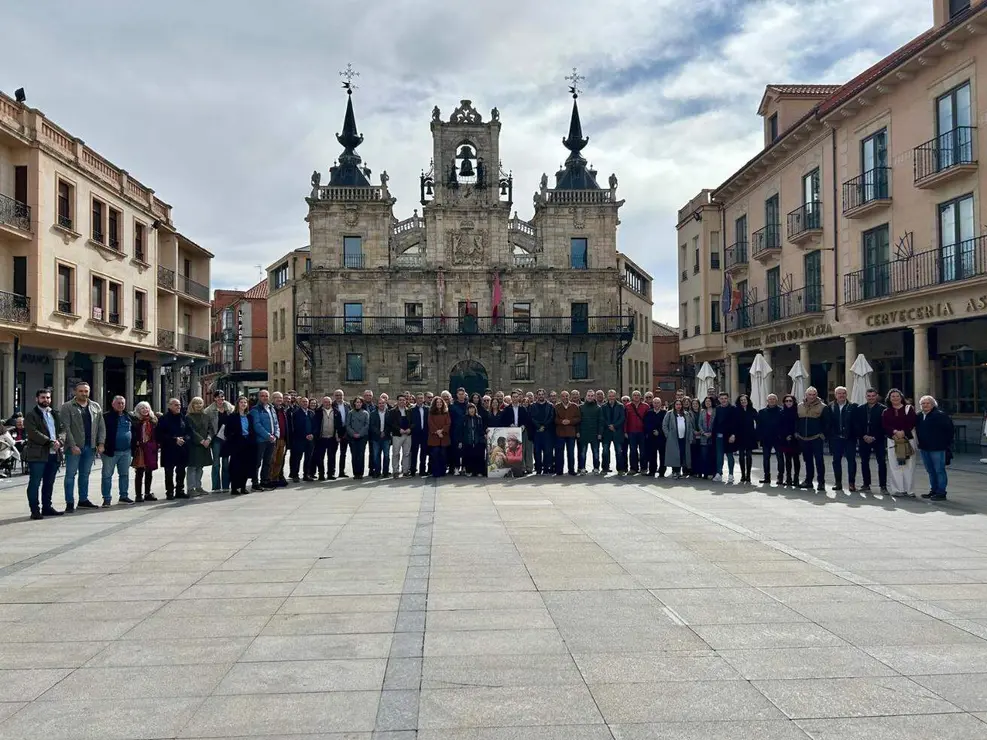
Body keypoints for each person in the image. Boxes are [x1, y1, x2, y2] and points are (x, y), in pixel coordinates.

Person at [59, 380, 106, 511]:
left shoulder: (95, 406)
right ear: (75, 392)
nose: (84, 393)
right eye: (81, 391)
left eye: (86, 391)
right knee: (70, 475)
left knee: (85, 475)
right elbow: (65, 427)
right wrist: (72, 445)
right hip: (74, 448)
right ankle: (69, 502)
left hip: (90, 447)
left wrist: (101, 443)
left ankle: (83, 500)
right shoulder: (67, 406)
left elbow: (101, 426)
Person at [23, 388, 64, 519]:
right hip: (38, 454)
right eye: (43, 397)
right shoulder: (31, 415)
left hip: (54, 454)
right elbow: (32, 432)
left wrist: (60, 441)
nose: (45, 400)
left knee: (49, 482)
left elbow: (63, 430)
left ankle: (47, 507)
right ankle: (35, 510)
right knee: (35, 482)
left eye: (48, 397)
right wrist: (50, 442)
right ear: (37, 399)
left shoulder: (55, 414)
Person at [916, 395, 953, 501]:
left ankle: (941, 492)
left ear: (933, 404)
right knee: (930, 471)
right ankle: (933, 490)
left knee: (939, 470)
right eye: (923, 403)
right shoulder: (919, 416)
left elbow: (949, 431)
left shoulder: (940, 415)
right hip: (924, 448)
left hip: (938, 448)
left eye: (927, 403)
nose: (925, 405)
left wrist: (945, 444)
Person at [882, 388, 917, 497]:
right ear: (889, 398)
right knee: (895, 465)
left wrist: (903, 432)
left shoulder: (909, 409)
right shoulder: (886, 411)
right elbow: (884, 425)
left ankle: (909, 490)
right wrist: (894, 431)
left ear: (901, 397)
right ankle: (898, 489)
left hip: (908, 440)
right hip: (893, 440)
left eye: (897, 396)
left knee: (909, 465)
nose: (895, 398)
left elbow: (912, 422)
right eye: (893, 396)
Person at [853, 387, 888, 494]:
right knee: (864, 462)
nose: (871, 398)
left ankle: (883, 486)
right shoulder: (860, 408)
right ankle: (866, 484)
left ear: (876, 396)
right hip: (864, 439)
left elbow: (884, 425)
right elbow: (856, 424)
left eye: (873, 396)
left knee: (881, 462)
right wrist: (863, 435)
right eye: (869, 396)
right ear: (866, 397)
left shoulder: (883, 409)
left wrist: (874, 436)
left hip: (879, 439)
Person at [101, 396, 135, 505]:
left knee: (124, 475)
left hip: (126, 451)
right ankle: (106, 499)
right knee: (107, 476)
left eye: (122, 403)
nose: (121, 405)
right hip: (111, 451)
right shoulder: (106, 417)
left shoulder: (129, 416)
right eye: (118, 403)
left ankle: (124, 496)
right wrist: (100, 445)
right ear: (113, 404)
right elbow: (100, 432)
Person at [796, 386, 830, 492]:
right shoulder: (799, 406)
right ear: (806, 395)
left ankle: (821, 483)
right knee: (808, 461)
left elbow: (827, 423)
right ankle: (809, 481)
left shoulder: (823, 407)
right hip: (803, 438)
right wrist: (796, 433)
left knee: (819, 461)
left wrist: (823, 435)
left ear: (817, 395)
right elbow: (796, 421)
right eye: (809, 394)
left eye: (814, 394)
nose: (811, 396)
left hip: (816, 438)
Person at [156, 398, 191, 499]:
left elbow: (189, 432)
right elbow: (159, 435)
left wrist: (184, 439)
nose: (178, 407)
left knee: (181, 471)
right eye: (176, 405)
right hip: (169, 449)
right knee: (169, 472)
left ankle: (180, 490)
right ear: (170, 406)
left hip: (182, 448)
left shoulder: (183, 417)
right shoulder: (164, 419)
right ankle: (170, 492)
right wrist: (174, 439)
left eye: (179, 405)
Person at [223, 396, 257, 496]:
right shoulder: (232, 416)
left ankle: (243, 486)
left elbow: (252, 430)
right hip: (237, 445)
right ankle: (234, 487)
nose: (243, 404)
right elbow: (227, 432)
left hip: (248, 444)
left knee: (246, 466)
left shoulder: (249, 416)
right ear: (238, 404)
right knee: (235, 467)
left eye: (245, 403)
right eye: (241, 402)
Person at [828, 385, 858, 493]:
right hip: (835, 439)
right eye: (839, 393)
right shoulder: (830, 406)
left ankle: (851, 483)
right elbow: (828, 423)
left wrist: (854, 434)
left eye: (843, 393)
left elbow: (856, 423)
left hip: (849, 439)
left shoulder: (853, 407)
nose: (841, 395)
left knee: (851, 461)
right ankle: (838, 482)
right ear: (835, 395)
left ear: (846, 394)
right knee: (836, 461)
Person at [249, 389, 279, 489]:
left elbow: (276, 423)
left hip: (271, 440)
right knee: (257, 462)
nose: (265, 398)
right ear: (259, 397)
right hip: (261, 440)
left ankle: (265, 480)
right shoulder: (255, 409)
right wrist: (267, 435)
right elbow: (257, 425)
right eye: (262, 396)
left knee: (268, 461)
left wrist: (275, 435)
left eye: (266, 396)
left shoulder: (271, 408)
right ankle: (255, 482)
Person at [205, 391, 233, 493]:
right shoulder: (209, 411)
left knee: (226, 463)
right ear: (215, 398)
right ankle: (216, 486)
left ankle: (226, 485)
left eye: (222, 397)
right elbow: (208, 426)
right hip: (216, 439)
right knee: (216, 463)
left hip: (226, 439)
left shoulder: (230, 408)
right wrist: (209, 437)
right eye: (219, 397)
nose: (221, 399)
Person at [184, 397, 213, 495]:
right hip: (194, 445)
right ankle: (191, 489)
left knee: (200, 467)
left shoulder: (206, 416)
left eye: (200, 403)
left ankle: (198, 487)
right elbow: (191, 431)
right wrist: (201, 440)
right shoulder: (188, 417)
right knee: (192, 467)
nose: (198, 405)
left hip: (205, 444)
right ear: (192, 405)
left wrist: (209, 439)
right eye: (196, 403)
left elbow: (210, 429)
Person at [131, 401, 159, 502]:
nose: (145, 410)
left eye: (146, 408)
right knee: (139, 471)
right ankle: (138, 495)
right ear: (138, 410)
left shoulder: (153, 420)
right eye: (142, 408)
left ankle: (147, 493)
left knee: (149, 471)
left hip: (151, 448)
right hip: (140, 448)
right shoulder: (135, 421)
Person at [755, 394, 783, 485]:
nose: (772, 401)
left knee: (780, 458)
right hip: (766, 438)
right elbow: (759, 426)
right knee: (766, 458)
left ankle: (780, 477)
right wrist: (758, 437)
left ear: (776, 400)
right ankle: (766, 477)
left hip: (778, 438)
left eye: (773, 399)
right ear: (767, 401)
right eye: (770, 399)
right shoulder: (762, 412)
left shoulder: (781, 411)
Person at [662, 398, 694, 478]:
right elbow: (664, 425)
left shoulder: (686, 414)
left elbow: (690, 426)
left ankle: (683, 471)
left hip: (684, 438)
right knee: (675, 455)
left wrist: (690, 437)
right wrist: (668, 435)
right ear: (674, 405)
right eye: (677, 404)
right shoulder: (669, 414)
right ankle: (675, 471)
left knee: (683, 454)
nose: (678, 406)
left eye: (680, 404)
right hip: (673, 438)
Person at [711, 392, 738, 483]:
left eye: (725, 398)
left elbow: (735, 423)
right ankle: (719, 473)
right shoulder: (717, 409)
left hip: (729, 436)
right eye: (721, 398)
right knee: (719, 455)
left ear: (728, 399)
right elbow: (715, 422)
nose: (723, 400)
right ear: (719, 399)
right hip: (719, 435)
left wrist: (733, 434)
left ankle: (731, 474)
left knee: (730, 455)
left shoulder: (733, 409)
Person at [553, 390, 580, 475]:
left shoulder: (575, 406)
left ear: (569, 397)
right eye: (563, 396)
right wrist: (561, 421)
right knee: (559, 452)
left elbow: (578, 418)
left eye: (567, 396)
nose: (565, 398)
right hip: (560, 433)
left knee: (571, 452)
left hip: (571, 433)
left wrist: (570, 421)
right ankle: (559, 470)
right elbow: (554, 419)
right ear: (561, 397)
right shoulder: (557, 407)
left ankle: (571, 470)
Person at [529, 389, 555, 476]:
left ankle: (546, 468)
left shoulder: (550, 406)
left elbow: (551, 417)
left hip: (547, 432)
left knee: (548, 451)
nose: (541, 396)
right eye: (539, 394)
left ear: (545, 395)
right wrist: (539, 427)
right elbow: (532, 418)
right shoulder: (532, 406)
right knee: (537, 451)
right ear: (537, 396)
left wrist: (544, 426)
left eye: (542, 394)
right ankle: (538, 469)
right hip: (537, 432)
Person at [289, 397, 315, 482]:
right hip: (299, 439)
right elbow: (296, 427)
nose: (305, 403)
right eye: (303, 402)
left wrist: (312, 434)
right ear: (300, 403)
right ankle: (295, 475)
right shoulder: (296, 413)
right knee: (297, 458)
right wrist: (305, 435)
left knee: (308, 458)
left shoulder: (311, 413)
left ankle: (306, 474)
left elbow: (315, 426)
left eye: (306, 402)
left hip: (310, 440)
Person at [387, 394, 413, 478]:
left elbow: (413, 422)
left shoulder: (409, 411)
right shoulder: (392, 411)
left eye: (403, 400)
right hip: (397, 435)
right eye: (400, 400)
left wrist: (410, 429)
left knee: (406, 453)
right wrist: (399, 429)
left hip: (407, 435)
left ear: (406, 401)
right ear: (397, 401)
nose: (402, 401)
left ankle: (405, 471)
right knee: (396, 453)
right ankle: (395, 471)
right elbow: (391, 423)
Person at [601, 389, 626, 475]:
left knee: (619, 451)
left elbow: (622, 418)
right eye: (610, 396)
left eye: (613, 396)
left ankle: (620, 469)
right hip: (607, 432)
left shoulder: (620, 406)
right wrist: (609, 426)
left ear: (616, 397)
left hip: (617, 431)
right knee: (605, 451)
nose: (611, 398)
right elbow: (602, 418)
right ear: (607, 396)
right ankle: (605, 468)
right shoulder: (603, 406)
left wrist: (614, 426)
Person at [778, 394, 801, 488]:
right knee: (787, 460)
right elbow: (779, 426)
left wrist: (796, 433)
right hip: (785, 439)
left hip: (796, 439)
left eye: (790, 401)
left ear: (793, 402)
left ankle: (796, 478)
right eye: (786, 401)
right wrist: (785, 436)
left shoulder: (798, 412)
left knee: (796, 459)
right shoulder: (781, 412)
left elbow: (799, 424)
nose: (788, 402)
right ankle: (788, 478)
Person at [313, 396, 338, 481]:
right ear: (322, 403)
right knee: (320, 457)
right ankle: (321, 474)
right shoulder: (318, 412)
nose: (327, 403)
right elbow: (315, 424)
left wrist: (338, 435)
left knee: (331, 457)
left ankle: (330, 474)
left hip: (332, 438)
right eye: (325, 402)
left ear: (331, 402)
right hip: (321, 438)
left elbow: (339, 424)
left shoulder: (336, 411)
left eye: (328, 402)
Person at [734, 394, 757, 485]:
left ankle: (748, 475)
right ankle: (743, 475)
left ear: (748, 401)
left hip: (750, 436)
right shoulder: (736, 411)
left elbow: (758, 421)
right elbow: (734, 424)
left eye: (745, 400)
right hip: (740, 436)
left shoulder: (752, 410)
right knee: (741, 456)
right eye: (741, 400)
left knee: (749, 456)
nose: (743, 401)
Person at [346, 397, 370, 479]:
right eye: (357, 402)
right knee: (354, 455)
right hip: (352, 437)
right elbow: (348, 425)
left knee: (361, 454)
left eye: (360, 402)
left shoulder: (365, 413)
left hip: (362, 437)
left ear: (362, 403)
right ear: (354, 403)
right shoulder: (350, 413)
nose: (358, 403)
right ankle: (355, 473)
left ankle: (360, 473)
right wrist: (353, 434)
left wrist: (360, 434)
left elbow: (367, 425)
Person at [624, 391, 648, 475]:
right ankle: (633, 468)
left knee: (643, 451)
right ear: (632, 396)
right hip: (631, 431)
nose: (636, 396)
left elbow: (648, 420)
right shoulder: (627, 406)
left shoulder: (645, 406)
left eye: (638, 395)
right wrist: (625, 431)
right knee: (633, 451)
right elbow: (625, 420)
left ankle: (644, 468)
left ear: (640, 397)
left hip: (642, 432)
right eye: (634, 395)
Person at [270, 392, 290, 487]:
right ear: (273, 399)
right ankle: (269, 479)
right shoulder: (271, 409)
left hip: (283, 438)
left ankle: (275, 478)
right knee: (272, 460)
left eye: (280, 398)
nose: (279, 400)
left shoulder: (283, 410)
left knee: (279, 460)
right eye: (277, 398)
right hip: (274, 439)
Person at [460, 403, 487, 476]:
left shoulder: (479, 418)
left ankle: (479, 471)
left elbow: (481, 429)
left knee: (478, 456)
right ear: (468, 410)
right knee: (469, 456)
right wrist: (460, 441)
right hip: (467, 440)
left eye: (473, 408)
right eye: (470, 408)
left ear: (475, 409)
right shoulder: (464, 418)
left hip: (478, 440)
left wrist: (484, 435)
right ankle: (469, 471)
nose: (472, 410)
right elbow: (462, 430)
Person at [427, 396, 451, 477]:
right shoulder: (431, 412)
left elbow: (448, 423)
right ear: (435, 404)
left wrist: (442, 430)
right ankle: (435, 472)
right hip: (434, 437)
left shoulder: (446, 412)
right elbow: (430, 423)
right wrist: (437, 431)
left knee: (443, 455)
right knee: (435, 455)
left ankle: (442, 471)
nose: (439, 404)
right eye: (437, 403)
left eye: (440, 402)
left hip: (444, 437)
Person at [369, 397, 391, 478]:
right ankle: (377, 472)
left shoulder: (389, 413)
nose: (381, 405)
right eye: (380, 403)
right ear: (377, 404)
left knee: (386, 455)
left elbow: (390, 425)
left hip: (386, 437)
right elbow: (372, 426)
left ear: (385, 404)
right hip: (376, 438)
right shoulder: (373, 413)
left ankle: (385, 472)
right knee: (376, 456)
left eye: (383, 403)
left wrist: (384, 432)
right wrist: (379, 433)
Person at [644, 398, 667, 478]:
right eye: (655, 403)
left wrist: (659, 432)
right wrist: (653, 431)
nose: (656, 404)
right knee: (652, 455)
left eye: (658, 403)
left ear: (661, 404)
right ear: (652, 404)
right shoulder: (649, 413)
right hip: (651, 437)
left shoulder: (664, 413)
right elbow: (646, 424)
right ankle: (652, 471)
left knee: (662, 455)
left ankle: (662, 472)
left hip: (661, 437)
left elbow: (665, 424)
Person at [449, 388, 469, 475]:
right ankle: (456, 467)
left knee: (465, 450)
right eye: (459, 394)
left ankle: (464, 467)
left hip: (466, 431)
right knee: (456, 450)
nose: (461, 395)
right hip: (455, 431)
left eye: (462, 394)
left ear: (465, 395)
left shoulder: (468, 405)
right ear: (457, 395)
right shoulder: (452, 406)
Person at [332, 389, 351, 478]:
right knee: (332, 452)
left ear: (343, 396)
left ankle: (341, 471)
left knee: (343, 453)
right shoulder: (332, 405)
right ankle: (331, 471)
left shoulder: (347, 405)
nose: (339, 397)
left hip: (345, 431)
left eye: (340, 395)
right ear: (334, 396)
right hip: (334, 431)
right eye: (337, 395)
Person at [696, 396, 716, 479]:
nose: (708, 403)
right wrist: (703, 433)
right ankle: (705, 473)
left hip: (713, 437)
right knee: (704, 456)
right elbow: (699, 424)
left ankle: (712, 472)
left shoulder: (716, 411)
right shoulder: (702, 411)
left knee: (712, 455)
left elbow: (717, 423)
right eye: (706, 401)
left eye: (709, 401)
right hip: (703, 437)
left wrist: (712, 433)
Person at [410, 392, 429, 477]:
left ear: (423, 399)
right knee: (414, 452)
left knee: (423, 453)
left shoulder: (427, 409)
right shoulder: (412, 409)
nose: (420, 400)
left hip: (424, 433)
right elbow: (410, 421)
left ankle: (422, 470)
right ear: (416, 399)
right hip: (415, 434)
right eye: (418, 398)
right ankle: (413, 470)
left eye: (421, 398)